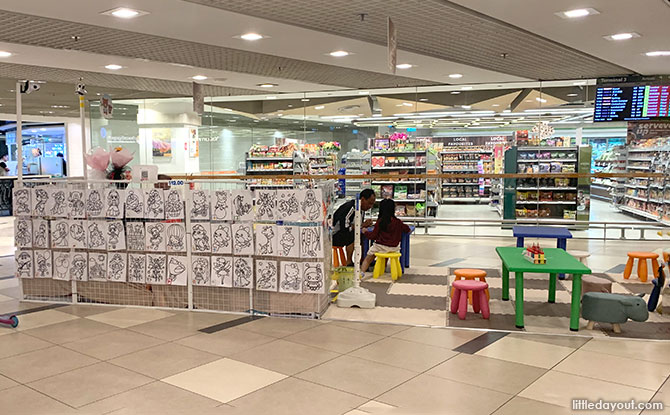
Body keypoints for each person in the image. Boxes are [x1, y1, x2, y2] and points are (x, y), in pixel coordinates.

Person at [360, 198, 410, 274]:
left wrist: (365, 232)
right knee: (384, 252)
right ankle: (384, 268)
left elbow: (373, 236)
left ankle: (361, 272)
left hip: (380, 246)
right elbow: (407, 229)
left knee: (368, 258)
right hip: (394, 248)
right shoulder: (398, 222)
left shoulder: (380, 222)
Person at [332, 188, 376, 265]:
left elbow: (357, 225)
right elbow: (345, 227)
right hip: (335, 235)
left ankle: (364, 259)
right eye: (369, 203)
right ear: (362, 199)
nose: (370, 206)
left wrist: (364, 226)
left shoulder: (361, 209)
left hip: (344, 232)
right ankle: (348, 261)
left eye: (372, 204)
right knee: (353, 235)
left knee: (364, 235)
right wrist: (362, 225)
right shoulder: (350, 207)